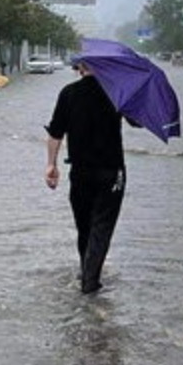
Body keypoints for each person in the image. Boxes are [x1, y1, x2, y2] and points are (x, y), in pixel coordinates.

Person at [44, 62, 128, 294]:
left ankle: (86, 271)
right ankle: (90, 283)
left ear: (80, 68)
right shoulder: (117, 92)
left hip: (80, 172)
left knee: (85, 227)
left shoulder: (69, 93)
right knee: (101, 227)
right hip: (112, 173)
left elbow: (55, 133)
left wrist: (51, 165)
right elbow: (137, 121)